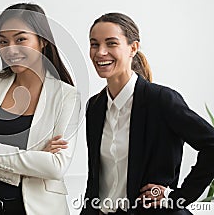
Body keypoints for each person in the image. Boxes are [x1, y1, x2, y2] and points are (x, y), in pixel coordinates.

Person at [81, 12, 214, 215]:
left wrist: (177, 197)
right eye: (94, 44)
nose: (100, 52)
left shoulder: (161, 101)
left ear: (133, 48)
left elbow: (211, 144)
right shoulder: (95, 106)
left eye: (111, 43)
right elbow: (96, 179)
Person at [0, 3, 81, 215]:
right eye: (3, 41)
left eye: (21, 39)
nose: (10, 49)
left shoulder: (66, 96)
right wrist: (32, 161)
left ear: (42, 41)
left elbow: (55, 166)